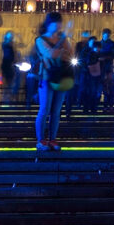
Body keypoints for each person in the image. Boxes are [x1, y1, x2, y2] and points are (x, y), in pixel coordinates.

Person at [31, 15, 73, 155]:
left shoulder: (63, 38)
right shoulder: (40, 39)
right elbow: (49, 54)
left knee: (56, 111)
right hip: (46, 77)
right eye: (56, 23)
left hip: (62, 76)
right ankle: (41, 140)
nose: (59, 25)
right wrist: (61, 51)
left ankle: (53, 139)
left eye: (60, 22)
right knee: (44, 109)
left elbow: (71, 55)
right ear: (49, 24)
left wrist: (59, 52)